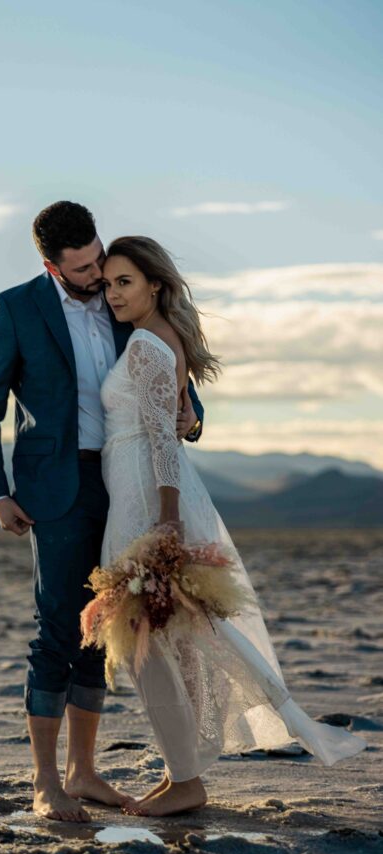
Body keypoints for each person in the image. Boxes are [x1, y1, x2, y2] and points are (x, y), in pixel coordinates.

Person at [99, 235, 366, 816]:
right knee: (175, 639)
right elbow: (176, 423)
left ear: (155, 286)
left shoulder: (146, 345)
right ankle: (183, 773)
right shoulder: (156, 339)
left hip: (148, 499)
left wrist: (165, 520)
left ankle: (187, 776)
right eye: (109, 282)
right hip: (141, 492)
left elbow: (164, 441)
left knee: (153, 641)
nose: (114, 292)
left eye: (125, 282)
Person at [0, 203, 205, 822]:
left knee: (106, 629)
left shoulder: (123, 293)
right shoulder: (16, 308)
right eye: (81, 268)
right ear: (51, 265)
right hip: (57, 485)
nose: (97, 274)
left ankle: (85, 771)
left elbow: (168, 366)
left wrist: (192, 413)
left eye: (99, 258)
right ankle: (46, 781)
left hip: (128, 483)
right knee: (56, 630)